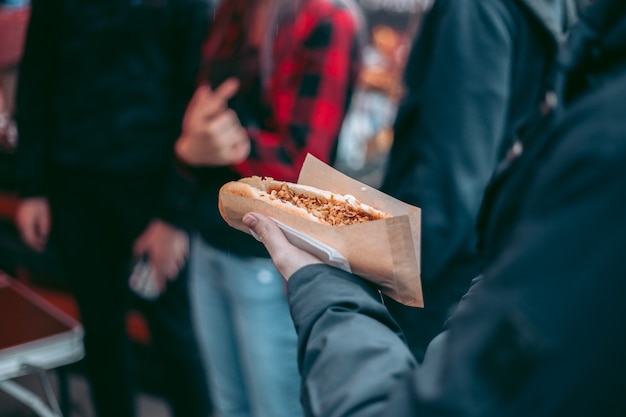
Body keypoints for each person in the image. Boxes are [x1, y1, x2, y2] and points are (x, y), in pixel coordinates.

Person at [237, 0, 626, 415]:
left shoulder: (478, 11)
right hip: (464, 290)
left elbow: (451, 187)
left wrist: (338, 279)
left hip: (436, 295)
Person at [14, 0, 213, 416]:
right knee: (102, 332)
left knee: (174, 336)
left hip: (153, 188)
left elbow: (197, 98)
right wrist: (31, 187)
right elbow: (36, 75)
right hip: (73, 183)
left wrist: (173, 214)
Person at [173, 0, 363, 416]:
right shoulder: (233, 10)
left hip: (270, 255)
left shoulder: (327, 19)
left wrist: (216, 143)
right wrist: (195, 145)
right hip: (210, 234)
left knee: (274, 406)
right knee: (226, 403)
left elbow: (304, 166)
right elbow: (196, 111)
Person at [378, 0, 582, 361]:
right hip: (478, 262)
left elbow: (453, 180)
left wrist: (387, 284)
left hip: (436, 275)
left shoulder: (477, 9)